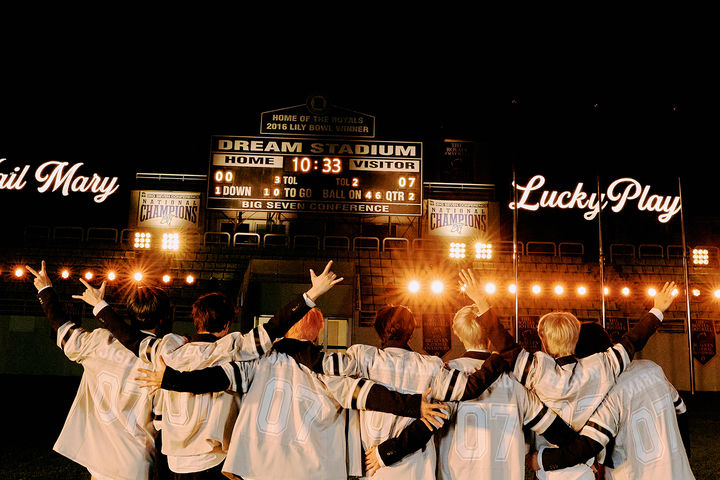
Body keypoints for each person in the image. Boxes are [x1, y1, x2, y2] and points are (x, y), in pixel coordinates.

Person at [73, 260, 343, 479]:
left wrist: (101, 306)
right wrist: (310, 295)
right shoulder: (233, 348)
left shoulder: (168, 350)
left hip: (175, 461)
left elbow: (131, 338)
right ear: (227, 325)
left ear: (195, 318)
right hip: (213, 459)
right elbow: (274, 327)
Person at [135, 307, 450, 480]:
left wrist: (171, 380)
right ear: (317, 334)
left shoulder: (258, 362)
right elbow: (365, 393)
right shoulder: (327, 373)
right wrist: (414, 405)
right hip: (312, 471)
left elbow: (217, 378)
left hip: (257, 467)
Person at [458, 268, 678, 480]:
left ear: (544, 341)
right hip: (585, 469)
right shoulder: (601, 367)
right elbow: (633, 340)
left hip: (548, 469)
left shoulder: (537, 371)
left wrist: (481, 302)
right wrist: (657, 309)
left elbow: (504, 345)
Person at [364, 303, 579, 479]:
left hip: (458, 474)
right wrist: (584, 451)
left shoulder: (447, 373)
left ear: (458, 334)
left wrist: (387, 452)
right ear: (489, 335)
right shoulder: (515, 379)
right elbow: (553, 428)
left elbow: (428, 424)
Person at [324, 304, 512, 479]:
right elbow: (470, 387)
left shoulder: (362, 357)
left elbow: (327, 372)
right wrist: (500, 356)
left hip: (373, 464)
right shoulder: (429, 365)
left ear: (379, 331)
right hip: (417, 467)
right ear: (411, 332)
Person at [25, 261, 167, 480]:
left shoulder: (100, 341)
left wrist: (45, 290)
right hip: (137, 462)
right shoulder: (163, 355)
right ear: (164, 317)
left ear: (128, 311)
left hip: (100, 461)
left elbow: (62, 327)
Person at [529, 325, 694, 479]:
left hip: (632, 473)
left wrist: (542, 459)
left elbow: (588, 445)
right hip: (678, 472)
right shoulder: (652, 368)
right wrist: (683, 453)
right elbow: (681, 410)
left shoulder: (606, 391)